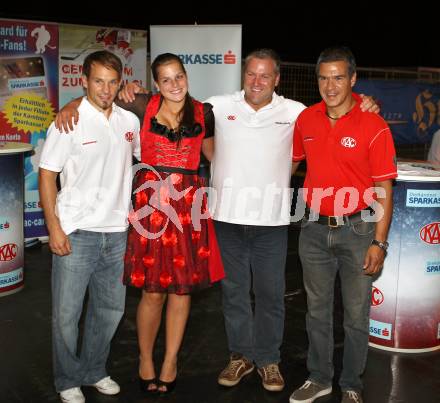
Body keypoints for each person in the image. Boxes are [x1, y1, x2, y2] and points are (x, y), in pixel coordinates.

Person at [60, 49, 377, 394]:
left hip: (249, 219)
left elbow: (333, 109)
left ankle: (264, 360)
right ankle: (222, 357)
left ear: (277, 79)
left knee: (263, 295)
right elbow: (105, 97)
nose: (257, 81)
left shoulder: (288, 112)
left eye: (265, 75)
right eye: (251, 74)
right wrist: (72, 104)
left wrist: (364, 103)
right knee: (217, 294)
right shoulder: (214, 106)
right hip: (197, 216)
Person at [54, 52, 224, 396]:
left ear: (187, 76)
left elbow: (214, 157)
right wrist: (70, 104)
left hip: (189, 208)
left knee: (182, 292)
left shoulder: (205, 113)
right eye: (166, 79)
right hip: (152, 211)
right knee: (152, 292)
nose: (174, 84)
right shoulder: (141, 106)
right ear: (156, 84)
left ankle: (170, 361)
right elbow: (99, 97)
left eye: (179, 76)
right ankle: (145, 358)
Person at [289, 46, 397, 403]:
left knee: (355, 315)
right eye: (323, 77)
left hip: (359, 231)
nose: (330, 85)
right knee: (316, 312)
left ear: (353, 79)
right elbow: (288, 164)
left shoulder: (374, 124)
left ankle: (352, 383)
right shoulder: (306, 119)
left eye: (338, 77)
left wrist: (379, 243)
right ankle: (319, 378)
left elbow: (383, 188)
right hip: (314, 230)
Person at [39, 51, 140, 403]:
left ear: (121, 83)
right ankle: (68, 378)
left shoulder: (130, 122)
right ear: (84, 81)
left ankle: (95, 370)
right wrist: (54, 228)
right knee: (67, 314)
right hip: (76, 232)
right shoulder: (68, 121)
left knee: (110, 311)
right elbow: (47, 175)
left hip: (117, 233)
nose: (105, 89)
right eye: (98, 81)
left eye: (113, 82)